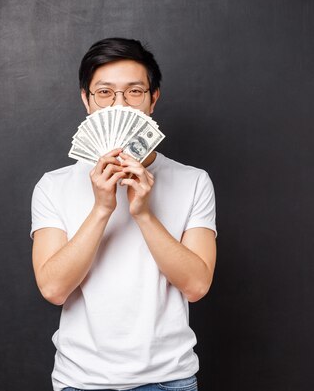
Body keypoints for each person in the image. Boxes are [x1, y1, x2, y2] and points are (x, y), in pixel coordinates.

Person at [31, 37, 217, 391]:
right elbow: (54, 288)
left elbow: (196, 285)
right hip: (81, 381)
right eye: (105, 93)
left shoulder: (193, 182)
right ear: (86, 99)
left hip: (169, 380)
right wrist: (102, 208)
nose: (120, 104)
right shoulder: (52, 186)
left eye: (134, 91)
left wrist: (144, 213)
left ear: (152, 99)